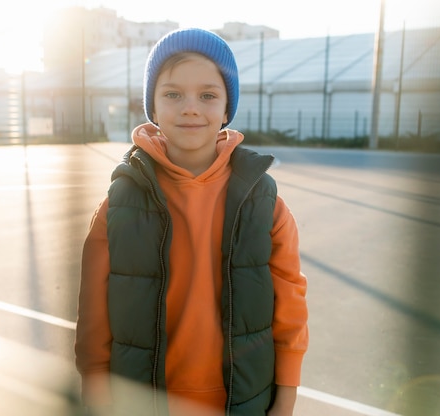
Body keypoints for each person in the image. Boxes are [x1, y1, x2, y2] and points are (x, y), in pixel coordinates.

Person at [75, 28, 309, 416]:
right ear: (152, 104)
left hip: (240, 399)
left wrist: (286, 391)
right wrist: (95, 386)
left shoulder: (265, 204)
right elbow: (94, 307)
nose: (190, 107)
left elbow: (289, 303)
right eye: (172, 94)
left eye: (207, 95)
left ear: (226, 108)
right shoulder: (119, 203)